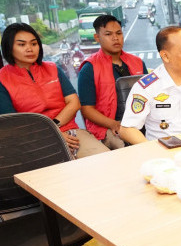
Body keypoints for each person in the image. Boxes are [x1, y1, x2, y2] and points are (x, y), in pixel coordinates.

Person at [0, 23, 108, 158]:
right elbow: (14, 123)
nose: (29, 49)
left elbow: (74, 102)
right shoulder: (2, 79)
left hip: (70, 132)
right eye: (21, 45)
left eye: (34, 44)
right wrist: (50, 135)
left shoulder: (53, 69)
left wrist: (53, 127)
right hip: (32, 140)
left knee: (104, 160)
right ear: (9, 48)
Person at [77, 14, 148, 150]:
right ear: (97, 37)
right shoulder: (89, 68)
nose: (115, 38)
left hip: (140, 120)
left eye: (119, 33)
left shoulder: (137, 62)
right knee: (129, 149)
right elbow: (87, 110)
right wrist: (113, 124)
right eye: (108, 34)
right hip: (108, 126)